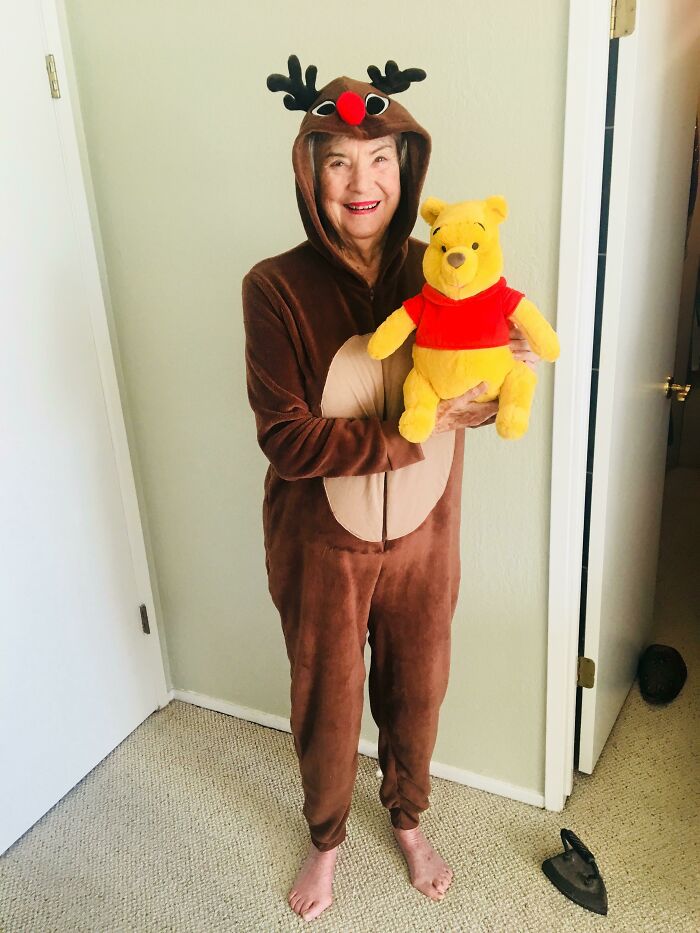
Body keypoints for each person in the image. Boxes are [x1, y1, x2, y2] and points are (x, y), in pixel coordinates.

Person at [242, 58, 540, 923]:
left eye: (380, 158)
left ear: (407, 168)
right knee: (325, 696)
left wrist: (492, 391)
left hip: (425, 532)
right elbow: (286, 437)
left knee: (418, 685)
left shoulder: (446, 266)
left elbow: (471, 395)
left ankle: (407, 819)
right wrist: (420, 429)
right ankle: (326, 837)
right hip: (319, 541)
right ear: (312, 175)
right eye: (338, 160)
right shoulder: (274, 287)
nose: (361, 181)